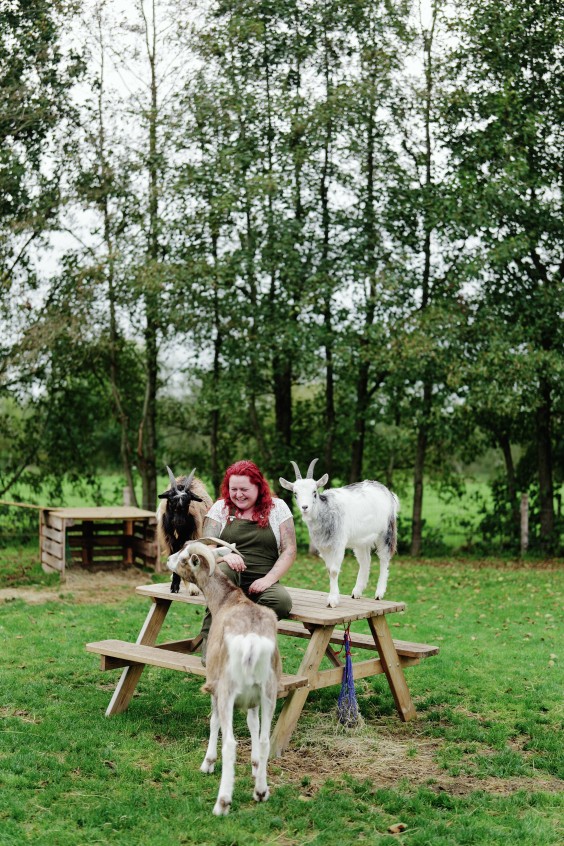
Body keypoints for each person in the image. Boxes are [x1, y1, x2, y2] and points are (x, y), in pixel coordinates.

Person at [199, 459, 297, 664]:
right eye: (233, 489)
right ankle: (213, 646)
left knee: (281, 602)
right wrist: (224, 555)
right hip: (228, 577)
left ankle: (245, 646)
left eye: (244, 489)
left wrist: (268, 580)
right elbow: (206, 546)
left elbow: (289, 550)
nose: (238, 494)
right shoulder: (220, 508)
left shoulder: (278, 508)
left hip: (262, 578)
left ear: (258, 487)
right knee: (222, 575)